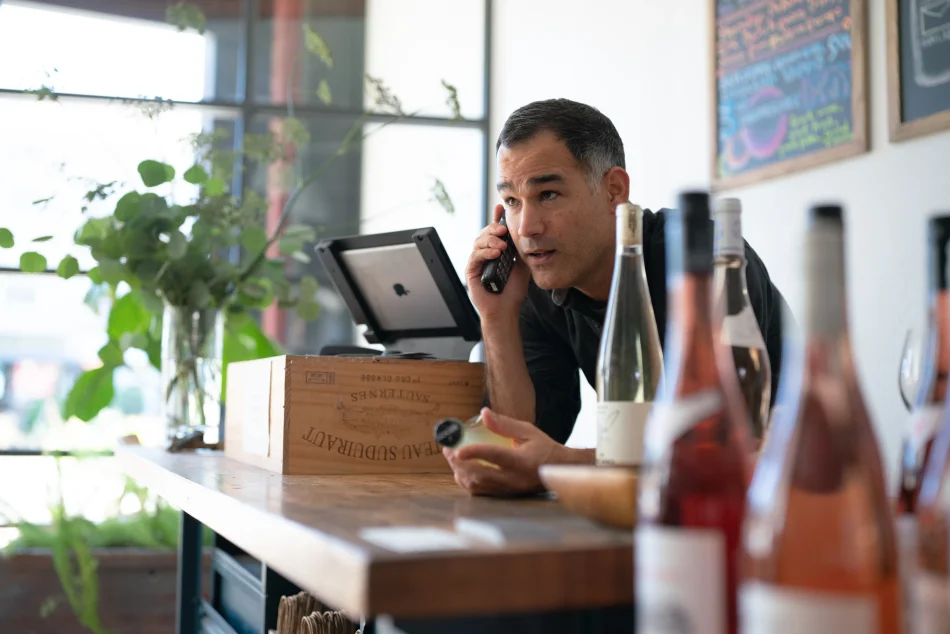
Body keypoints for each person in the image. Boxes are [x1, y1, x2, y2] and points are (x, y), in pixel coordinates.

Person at [443, 98, 790, 497]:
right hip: (656, 509)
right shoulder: (537, 283)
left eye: (549, 195)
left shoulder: (704, 259)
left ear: (614, 190)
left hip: (777, 497)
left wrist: (560, 464)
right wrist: (497, 318)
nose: (527, 227)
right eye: (512, 202)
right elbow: (522, 442)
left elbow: (716, 444)